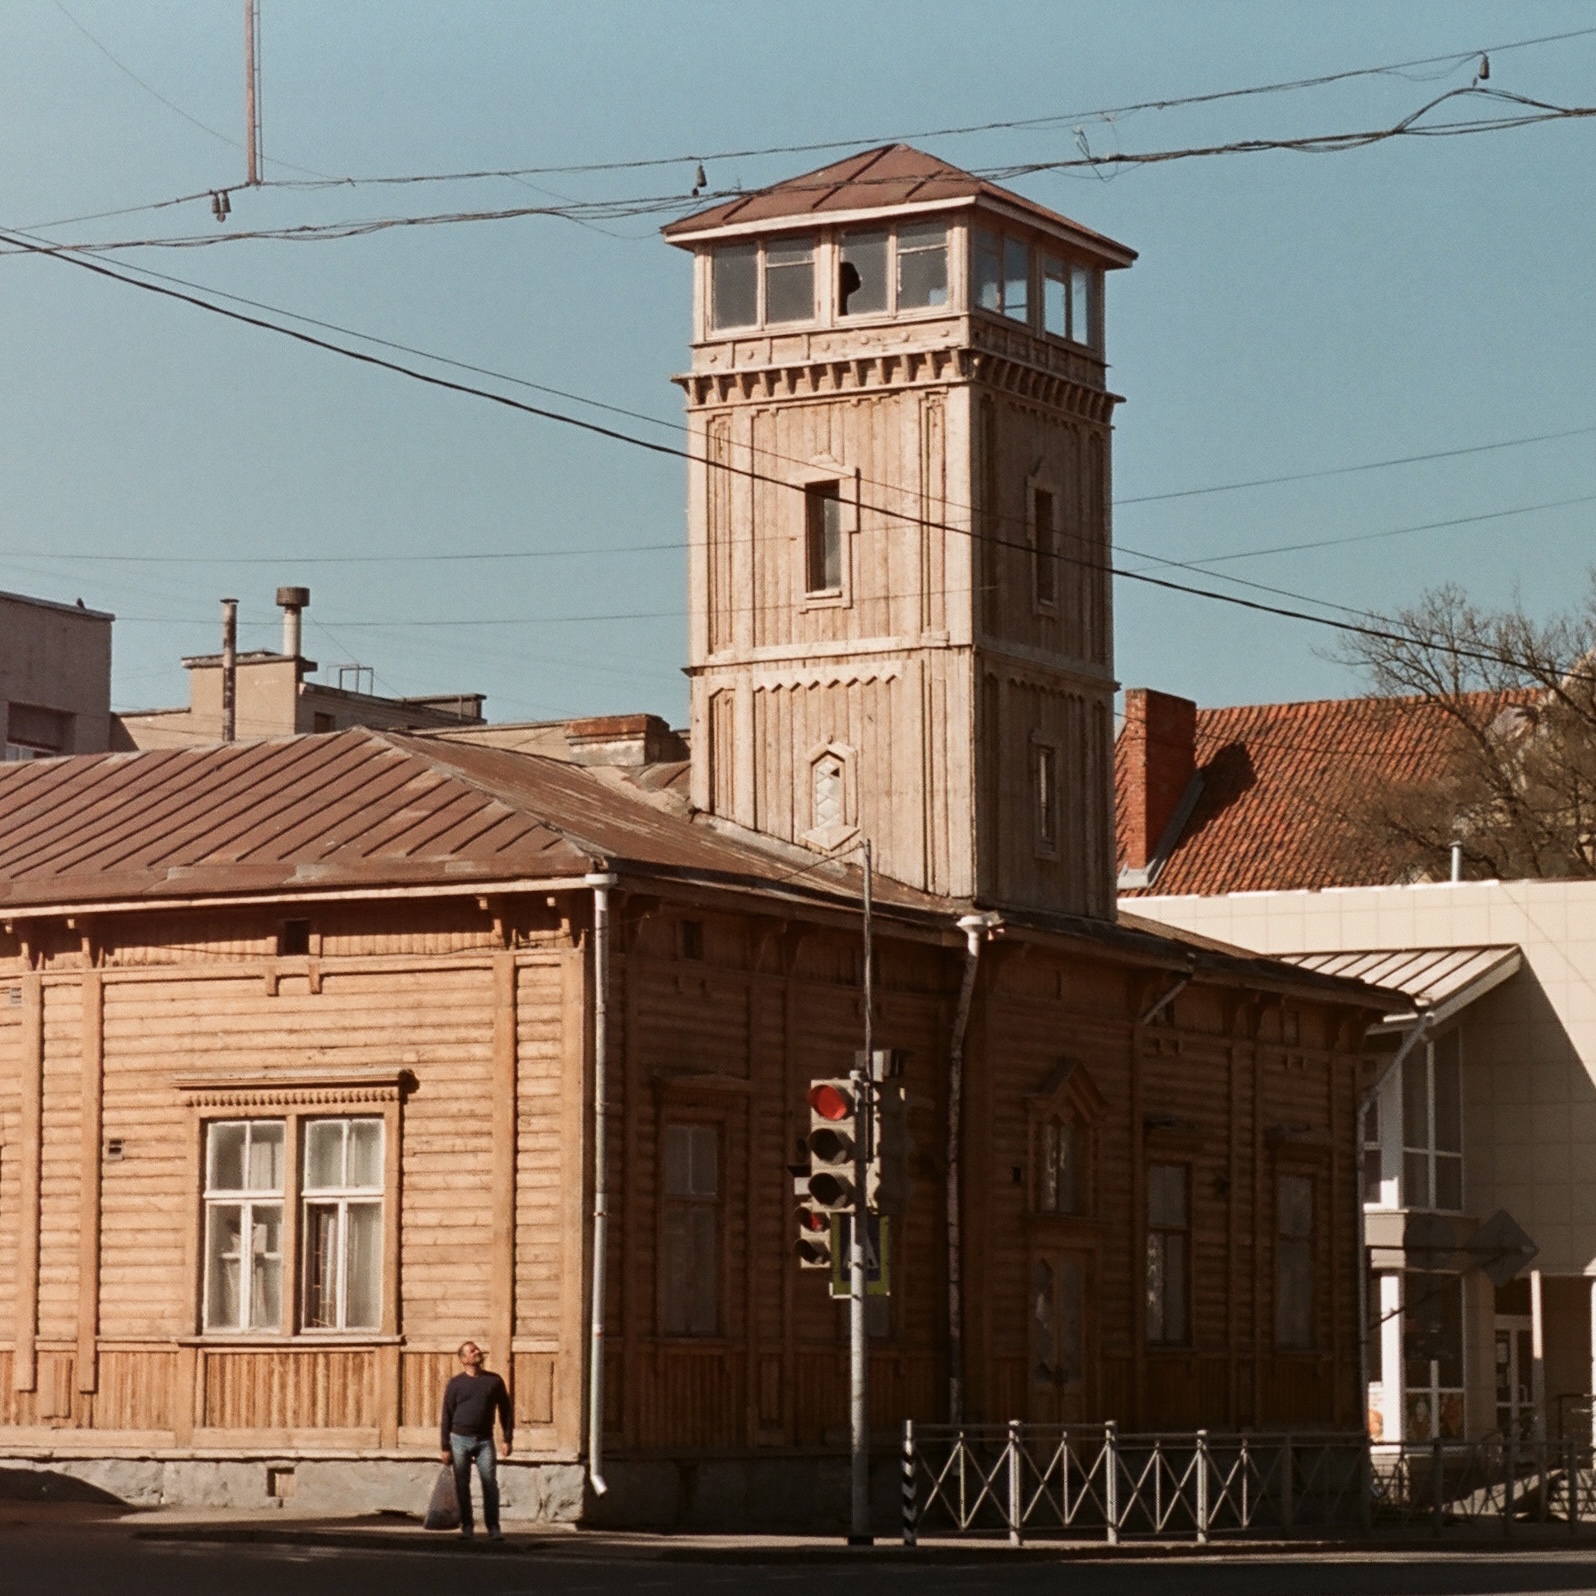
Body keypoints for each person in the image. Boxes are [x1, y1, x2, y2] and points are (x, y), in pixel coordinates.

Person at [439, 1339, 513, 1540]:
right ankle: (467, 1527)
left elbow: (505, 1411)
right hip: (459, 1439)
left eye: (477, 1349)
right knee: (462, 1484)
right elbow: (447, 1415)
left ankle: (493, 1528)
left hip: (484, 1440)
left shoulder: (494, 1381)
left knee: (489, 1483)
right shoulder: (456, 1384)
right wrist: (445, 1446)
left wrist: (507, 1438)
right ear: (464, 1359)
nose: (477, 1352)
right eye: (472, 1351)